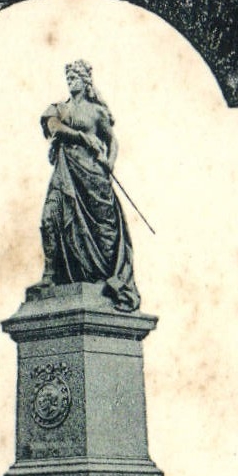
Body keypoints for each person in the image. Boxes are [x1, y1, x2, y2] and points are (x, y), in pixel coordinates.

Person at [36, 60, 140, 311]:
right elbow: (54, 127)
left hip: (93, 179)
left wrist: (109, 162)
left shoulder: (97, 112)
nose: (71, 80)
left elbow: (112, 142)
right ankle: (50, 274)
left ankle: (100, 277)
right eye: (68, 76)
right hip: (65, 174)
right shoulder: (59, 108)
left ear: (86, 81)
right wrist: (83, 137)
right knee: (50, 218)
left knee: (104, 236)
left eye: (75, 76)